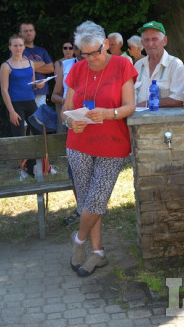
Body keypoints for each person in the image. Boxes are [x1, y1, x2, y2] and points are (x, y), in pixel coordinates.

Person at [62, 21, 137, 277]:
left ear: (106, 44)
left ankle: (79, 240)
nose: (91, 58)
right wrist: (71, 121)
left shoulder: (122, 65)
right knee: (86, 200)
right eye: (85, 54)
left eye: (96, 52)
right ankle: (98, 253)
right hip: (78, 144)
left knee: (96, 199)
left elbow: (130, 106)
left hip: (113, 145)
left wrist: (108, 113)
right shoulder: (76, 69)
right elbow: (65, 111)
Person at [52, 37, 79, 225]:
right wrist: (68, 103)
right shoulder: (66, 65)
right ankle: (80, 208)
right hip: (73, 122)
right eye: (78, 48)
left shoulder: (101, 64)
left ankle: (95, 206)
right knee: (74, 168)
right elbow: (54, 95)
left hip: (95, 121)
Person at [134, 21, 184, 108]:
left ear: (164, 41)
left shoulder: (175, 64)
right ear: (142, 43)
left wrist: (148, 103)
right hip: (136, 119)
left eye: (155, 39)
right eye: (146, 40)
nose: (150, 44)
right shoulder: (138, 65)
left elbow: (178, 99)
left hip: (164, 120)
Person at [19, 23, 54, 107]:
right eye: (25, 31)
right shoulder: (18, 50)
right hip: (24, 92)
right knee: (26, 120)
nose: (29, 33)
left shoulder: (42, 50)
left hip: (41, 92)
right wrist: (42, 63)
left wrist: (29, 65)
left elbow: (51, 68)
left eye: (31, 30)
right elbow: (20, 67)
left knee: (40, 119)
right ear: (20, 34)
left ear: (34, 32)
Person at [53, 40, 78, 134]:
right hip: (65, 100)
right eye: (65, 48)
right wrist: (65, 100)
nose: (68, 50)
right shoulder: (61, 63)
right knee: (62, 127)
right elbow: (58, 84)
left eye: (70, 48)